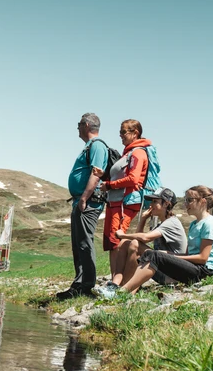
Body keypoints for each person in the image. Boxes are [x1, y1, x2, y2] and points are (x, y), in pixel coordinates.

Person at [118, 185, 213, 293]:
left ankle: (122, 291)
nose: (185, 203)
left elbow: (203, 258)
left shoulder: (209, 224)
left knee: (154, 255)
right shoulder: (193, 224)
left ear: (203, 201)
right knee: (152, 254)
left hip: (205, 271)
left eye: (189, 200)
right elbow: (187, 254)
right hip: (194, 267)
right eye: (185, 200)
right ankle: (126, 290)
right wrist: (166, 254)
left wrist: (171, 257)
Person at [55, 113, 109, 301]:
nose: (77, 128)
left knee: (85, 243)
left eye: (79, 125)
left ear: (86, 125)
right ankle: (78, 284)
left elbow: (96, 173)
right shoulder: (89, 146)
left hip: (88, 201)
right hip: (80, 201)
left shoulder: (97, 146)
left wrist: (85, 197)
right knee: (78, 244)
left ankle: (86, 285)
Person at [100, 187, 186, 296]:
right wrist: (143, 219)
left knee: (133, 244)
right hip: (162, 267)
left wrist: (123, 235)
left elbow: (145, 238)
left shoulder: (172, 223)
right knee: (126, 243)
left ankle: (125, 291)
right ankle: (116, 284)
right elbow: (138, 239)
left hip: (172, 275)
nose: (151, 204)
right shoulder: (162, 224)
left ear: (166, 204)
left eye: (155, 201)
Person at [99, 120, 152, 284]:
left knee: (116, 241)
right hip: (115, 202)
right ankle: (113, 281)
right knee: (111, 242)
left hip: (124, 202)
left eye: (123, 132)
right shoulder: (128, 153)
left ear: (135, 133)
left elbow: (133, 179)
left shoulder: (137, 153)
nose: (120, 135)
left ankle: (118, 283)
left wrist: (109, 185)